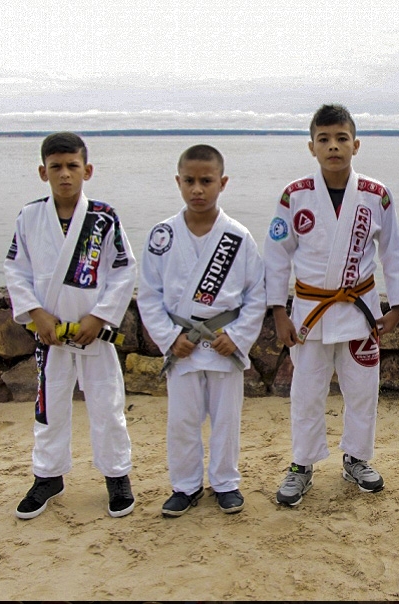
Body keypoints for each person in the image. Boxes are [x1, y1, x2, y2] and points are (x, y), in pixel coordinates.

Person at [263, 104, 399, 507]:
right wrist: (278, 310)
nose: (334, 147)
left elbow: (394, 251)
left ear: (356, 144)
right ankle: (302, 464)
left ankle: (357, 458)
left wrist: (398, 304)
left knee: (363, 391)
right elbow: (276, 256)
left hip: (360, 312)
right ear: (311, 146)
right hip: (309, 316)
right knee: (307, 392)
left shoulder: (376, 195)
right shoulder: (293, 195)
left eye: (341, 138)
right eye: (325, 139)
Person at [4, 132, 137, 520]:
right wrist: (35, 313)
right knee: (50, 408)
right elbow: (16, 269)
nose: (65, 174)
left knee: (108, 407)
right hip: (50, 335)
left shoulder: (103, 217)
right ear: (43, 171)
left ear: (87, 170)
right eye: (56, 167)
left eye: (72, 166)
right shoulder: (29, 217)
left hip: (93, 333)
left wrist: (100, 316)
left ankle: (116, 475)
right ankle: (48, 475)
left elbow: (124, 269)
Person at [137, 144, 266, 517]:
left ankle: (225, 482)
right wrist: (168, 338)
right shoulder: (162, 236)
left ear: (222, 183)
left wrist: (238, 336)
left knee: (226, 419)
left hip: (223, 343)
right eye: (190, 181)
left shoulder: (238, 236)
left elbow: (256, 294)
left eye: (206, 181)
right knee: (182, 420)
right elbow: (149, 294)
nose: (198, 189)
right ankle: (186, 485)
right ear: (178, 182)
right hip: (183, 346)